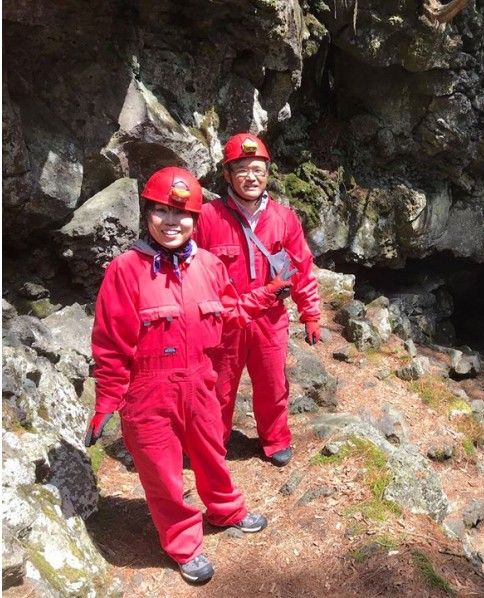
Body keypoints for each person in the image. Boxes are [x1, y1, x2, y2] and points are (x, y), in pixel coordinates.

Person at [84, 166, 293, 584]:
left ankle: (225, 510)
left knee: (212, 453)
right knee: (162, 470)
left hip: (200, 381)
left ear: (196, 220)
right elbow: (110, 343)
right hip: (148, 391)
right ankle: (183, 542)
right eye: (162, 211)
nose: (172, 222)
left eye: (182, 214)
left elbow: (230, 312)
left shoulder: (210, 266)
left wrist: (267, 295)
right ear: (147, 215)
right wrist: (108, 399)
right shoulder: (125, 270)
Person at [194, 133, 321, 467]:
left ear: (267, 173)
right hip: (224, 320)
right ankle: (213, 443)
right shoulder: (207, 217)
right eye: (242, 169)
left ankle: (275, 438)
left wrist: (310, 311)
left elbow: (302, 267)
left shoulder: (284, 218)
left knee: (272, 382)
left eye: (258, 169)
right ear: (227, 174)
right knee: (218, 386)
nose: (251, 177)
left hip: (270, 318)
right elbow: (191, 270)